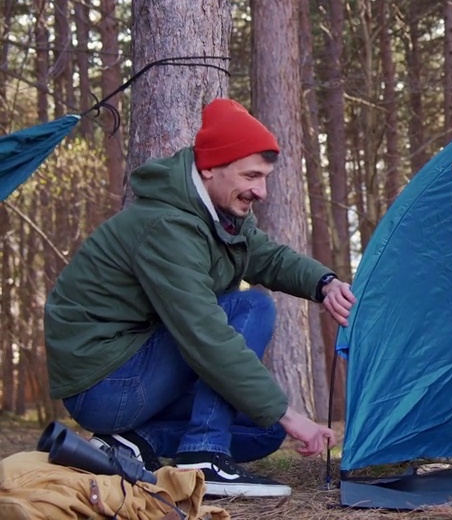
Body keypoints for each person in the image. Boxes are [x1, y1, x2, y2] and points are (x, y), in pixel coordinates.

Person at [44, 98, 357, 499]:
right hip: (105, 382)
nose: (260, 190)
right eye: (251, 176)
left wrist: (325, 283)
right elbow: (204, 334)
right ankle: (204, 455)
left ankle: (134, 443)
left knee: (264, 430)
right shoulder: (167, 227)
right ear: (210, 167)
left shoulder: (221, 214)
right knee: (250, 307)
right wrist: (292, 414)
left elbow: (266, 257)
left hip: (132, 377)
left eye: (265, 177)